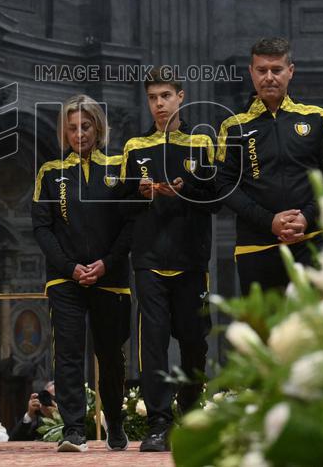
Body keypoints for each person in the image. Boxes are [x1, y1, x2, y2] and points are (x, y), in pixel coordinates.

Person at [120, 68, 217, 452]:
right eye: (152, 98)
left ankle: (190, 412)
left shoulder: (201, 142)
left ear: (181, 96)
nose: (159, 104)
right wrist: (139, 194)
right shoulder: (134, 147)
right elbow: (121, 207)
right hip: (148, 259)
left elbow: (217, 198)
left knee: (194, 342)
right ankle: (158, 423)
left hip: (191, 259)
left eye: (165, 96)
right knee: (153, 343)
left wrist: (186, 189)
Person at [32, 96, 132, 452]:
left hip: (111, 277)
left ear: (98, 128)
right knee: (68, 354)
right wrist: (70, 267)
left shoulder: (119, 167)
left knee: (111, 355)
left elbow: (131, 225)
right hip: (66, 279)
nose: (79, 134)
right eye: (72, 128)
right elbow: (42, 228)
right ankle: (73, 429)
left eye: (85, 126)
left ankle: (115, 422)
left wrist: (107, 262)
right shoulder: (50, 172)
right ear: (64, 131)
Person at [216, 37, 323, 292]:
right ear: (251, 72)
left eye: (277, 70)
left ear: (290, 71)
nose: (269, 77)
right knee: (261, 321)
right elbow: (224, 185)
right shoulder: (233, 127)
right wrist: (268, 220)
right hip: (255, 248)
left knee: (315, 318)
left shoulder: (316, 118)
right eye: (262, 70)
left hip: (311, 242)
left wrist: (307, 216)